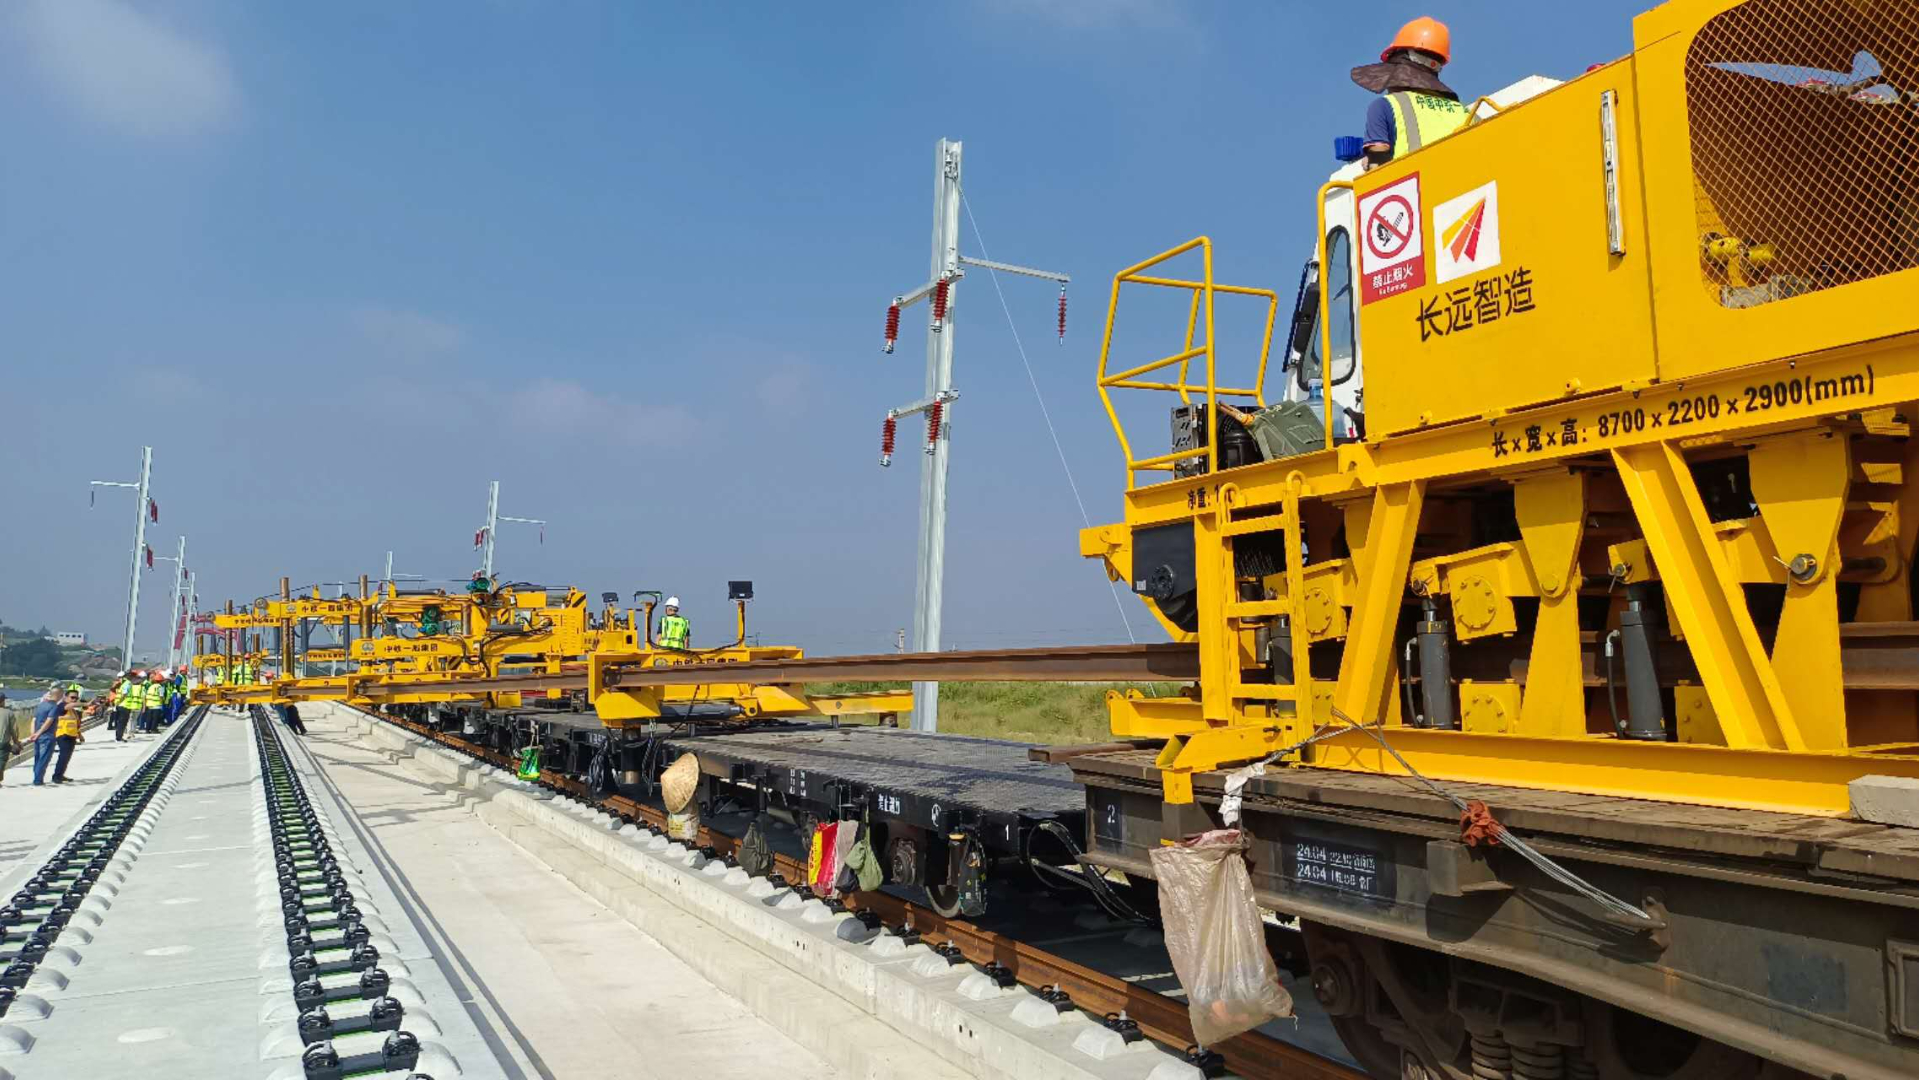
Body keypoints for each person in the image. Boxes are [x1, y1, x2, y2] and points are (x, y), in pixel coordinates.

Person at [1354, 17, 1470, 168]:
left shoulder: (1384, 106)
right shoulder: (1463, 111)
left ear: (1397, 73)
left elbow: (1377, 164)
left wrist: (1370, 159)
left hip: (1417, 182)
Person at [29, 686, 62, 785]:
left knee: (37, 757)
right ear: (59, 695)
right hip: (47, 735)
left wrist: (33, 733)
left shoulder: (41, 705)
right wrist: (38, 733)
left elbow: (33, 720)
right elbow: (49, 721)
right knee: (43, 759)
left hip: (37, 735)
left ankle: (36, 777)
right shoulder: (54, 707)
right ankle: (38, 780)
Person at [50, 689, 84, 784]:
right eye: (72, 697)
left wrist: (80, 735)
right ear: (65, 697)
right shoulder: (62, 706)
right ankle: (56, 776)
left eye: (76, 698)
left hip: (72, 735)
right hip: (63, 734)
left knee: (67, 757)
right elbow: (68, 706)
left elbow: (76, 724)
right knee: (63, 756)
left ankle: (60, 774)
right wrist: (86, 704)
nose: (74, 700)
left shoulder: (72, 711)